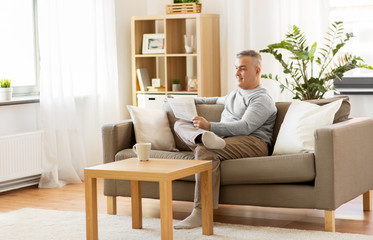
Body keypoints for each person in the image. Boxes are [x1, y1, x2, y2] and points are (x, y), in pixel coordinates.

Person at [173, 50, 277, 229]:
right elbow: (213, 100)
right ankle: (202, 138)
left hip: (252, 141)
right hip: (224, 139)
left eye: (242, 69)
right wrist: (183, 101)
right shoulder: (235, 94)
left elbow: (245, 127)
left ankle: (201, 213)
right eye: (236, 68)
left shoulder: (261, 99)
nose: (237, 73)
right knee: (180, 123)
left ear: (258, 70)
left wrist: (210, 126)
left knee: (205, 150)